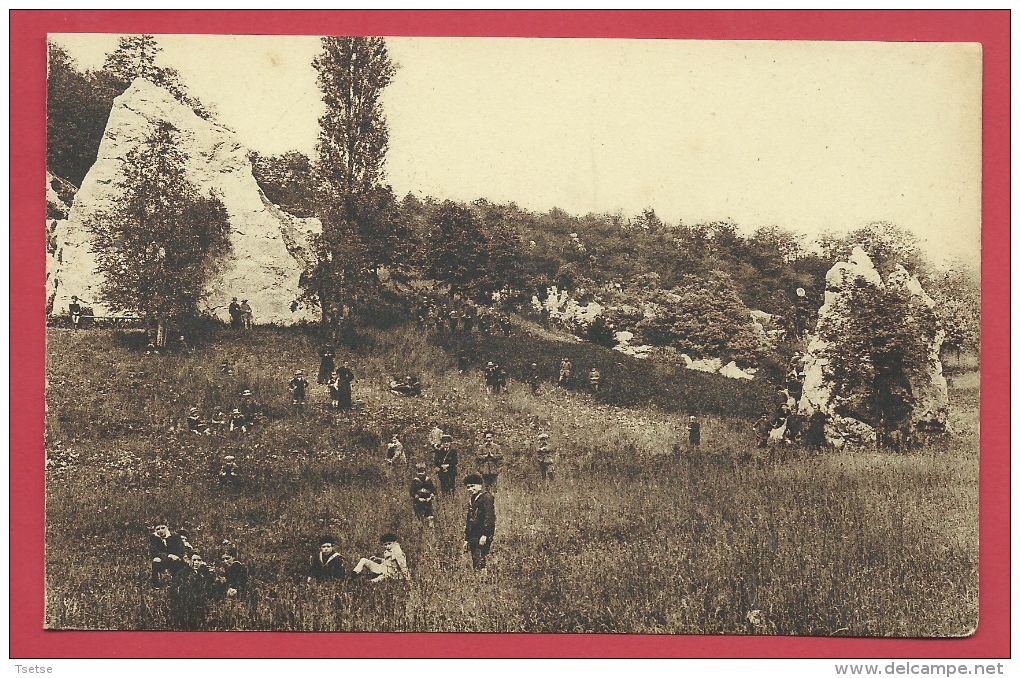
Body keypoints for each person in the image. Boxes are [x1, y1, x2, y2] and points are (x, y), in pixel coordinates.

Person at [462, 474, 496, 571]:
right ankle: (478, 578)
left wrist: (485, 534)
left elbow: (489, 517)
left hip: (482, 533)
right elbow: (469, 520)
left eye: (473, 486)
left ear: (480, 485)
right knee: (475, 557)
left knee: (481, 556)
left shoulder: (486, 497)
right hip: (473, 533)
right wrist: (466, 538)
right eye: (468, 487)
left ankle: (484, 579)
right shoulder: (472, 499)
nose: (470, 489)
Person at [410, 462, 437, 528]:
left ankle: (431, 531)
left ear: (425, 472)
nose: (421, 474)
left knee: (430, 517)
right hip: (418, 501)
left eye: (422, 472)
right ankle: (421, 528)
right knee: (419, 517)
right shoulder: (415, 481)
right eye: (419, 472)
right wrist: (417, 497)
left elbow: (433, 490)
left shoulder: (428, 480)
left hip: (428, 500)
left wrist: (431, 496)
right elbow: (412, 492)